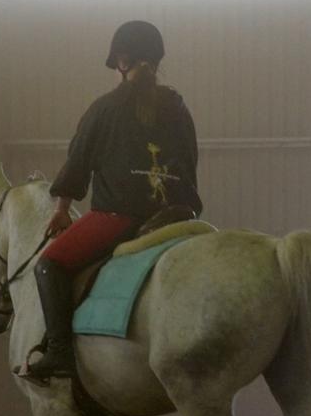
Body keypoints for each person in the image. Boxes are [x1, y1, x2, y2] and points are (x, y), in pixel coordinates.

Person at [26, 20, 203, 380]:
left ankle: (60, 352)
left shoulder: (105, 108)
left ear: (122, 60)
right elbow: (190, 159)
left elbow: (79, 161)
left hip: (119, 215)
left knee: (49, 266)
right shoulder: (178, 106)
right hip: (177, 215)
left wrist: (62, 210)